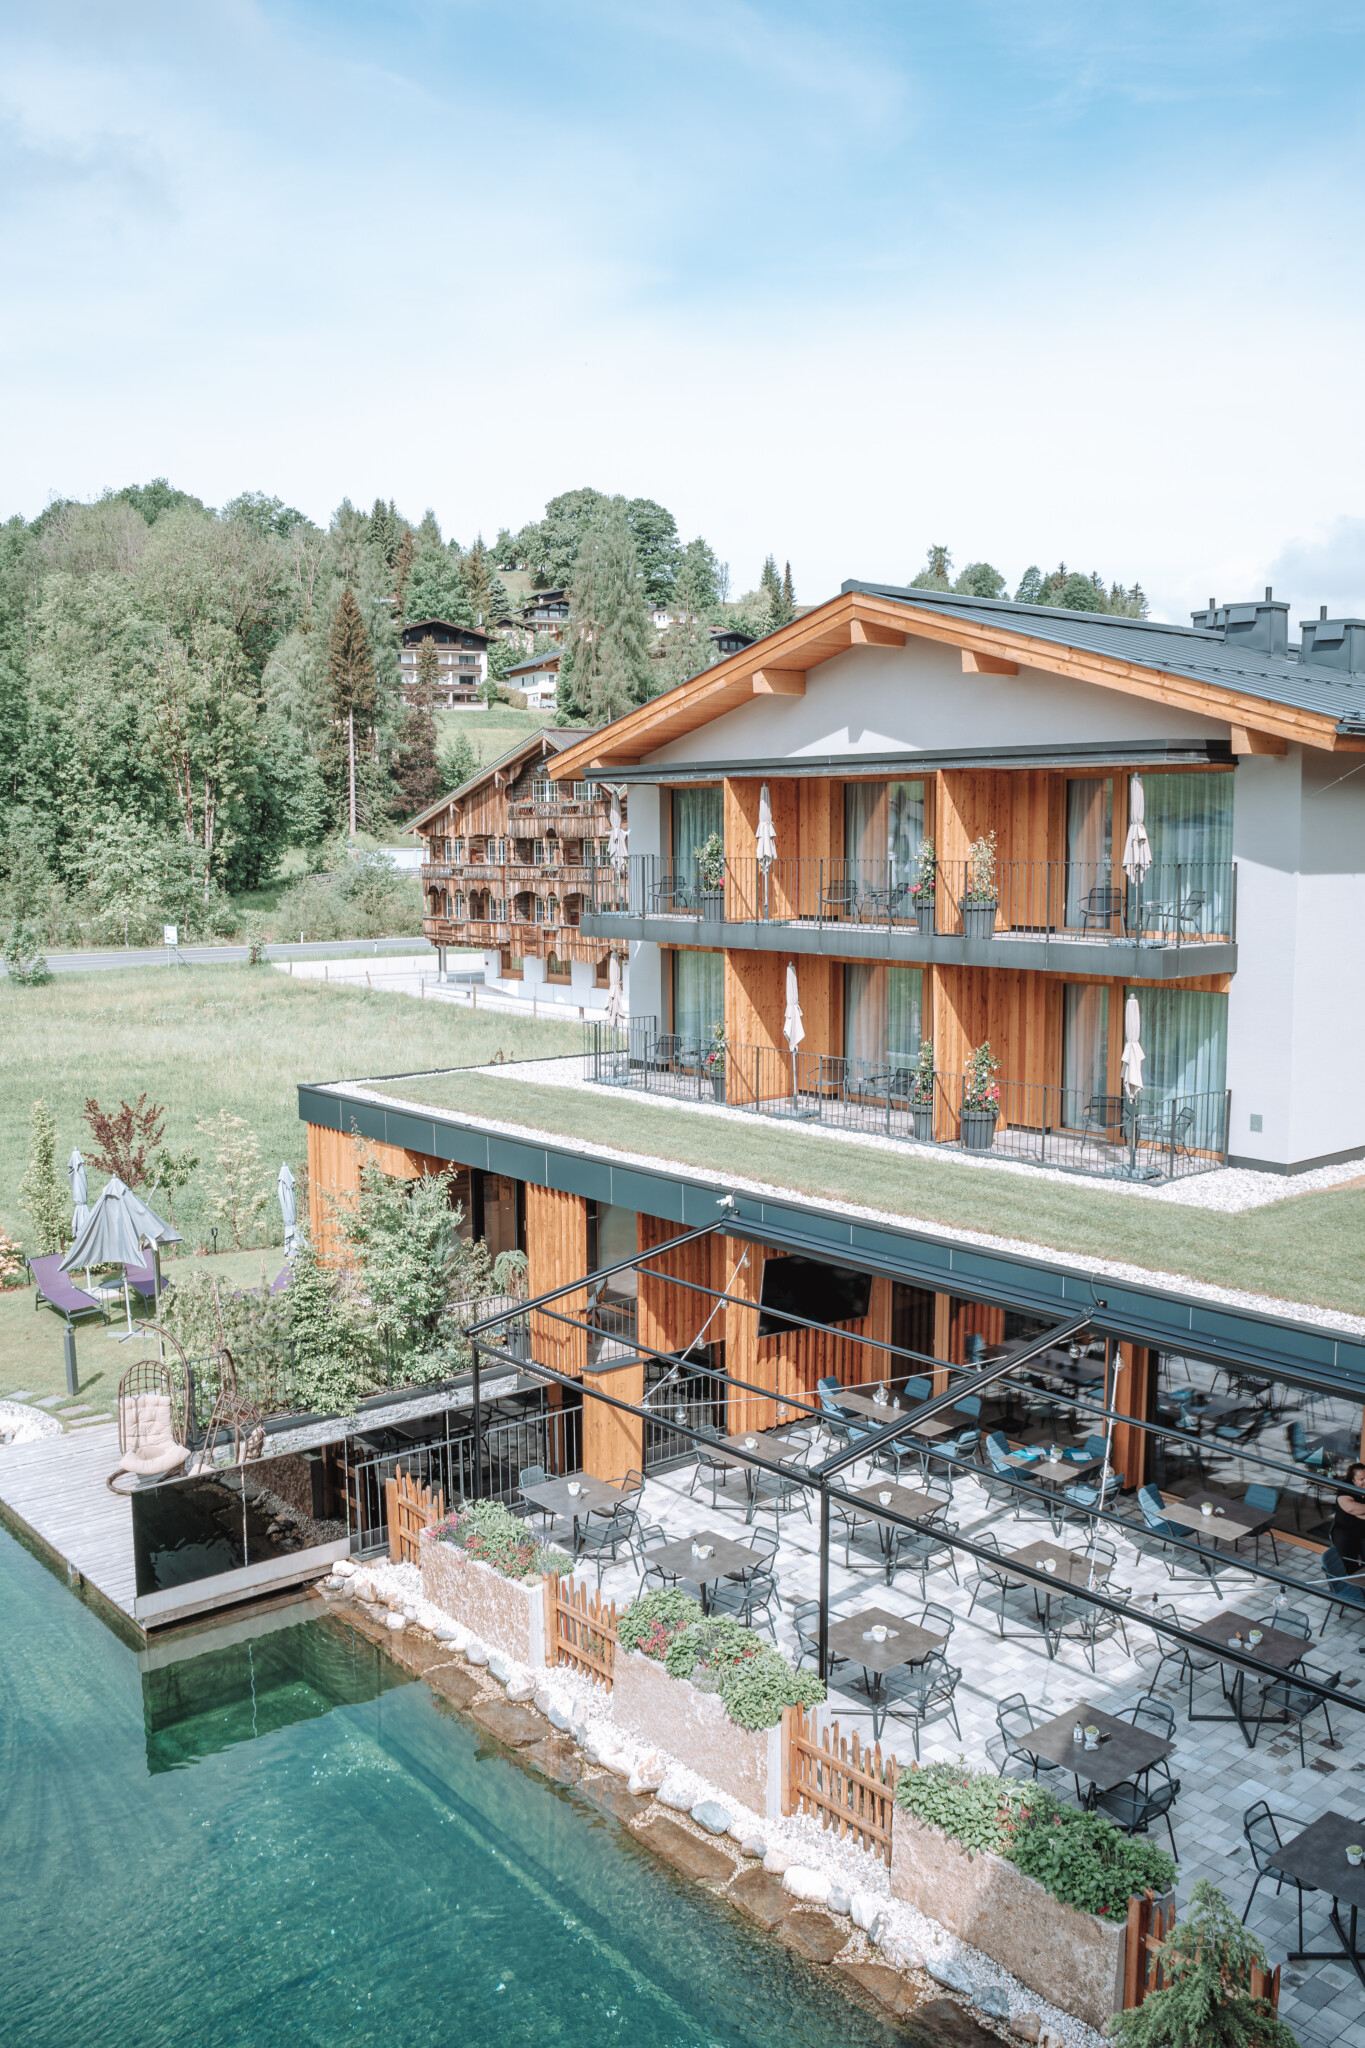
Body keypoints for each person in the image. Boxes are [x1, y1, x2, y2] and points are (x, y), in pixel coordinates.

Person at [1330, 1461, 1365, 1571]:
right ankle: (1350, 1583)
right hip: (1345, 1529)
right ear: (1353, 1480)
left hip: (1363, 1530)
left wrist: (1360, 1512)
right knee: (1346, 1562)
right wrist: (1358, 1512)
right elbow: (1350, 1508)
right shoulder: (1345, 1487)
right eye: (1361, 1479)